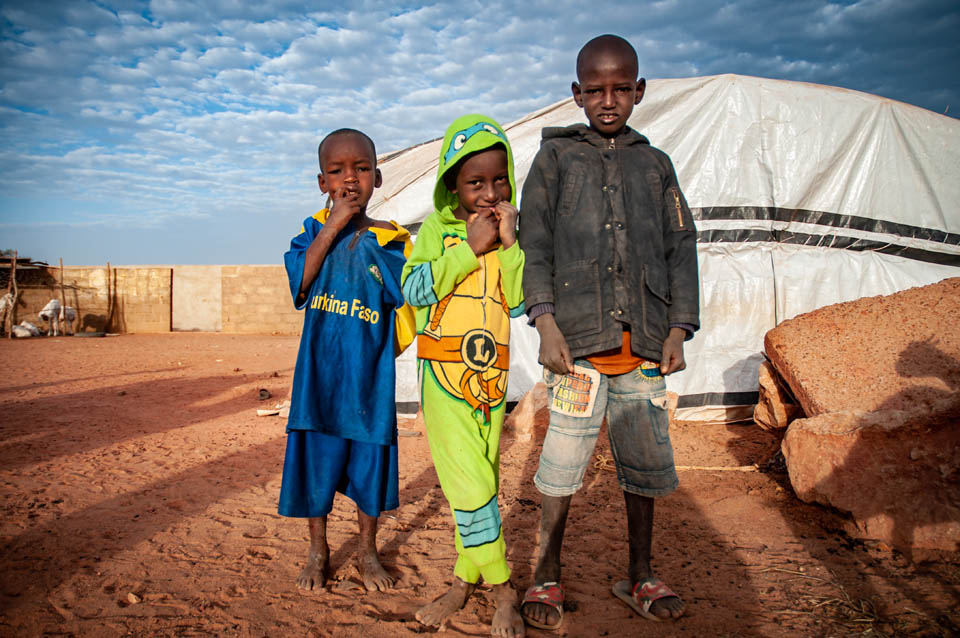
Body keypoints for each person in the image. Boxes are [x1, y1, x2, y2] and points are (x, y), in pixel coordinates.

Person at [518, 34, 699, 628]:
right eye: (595, 89)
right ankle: (545, 577)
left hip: (644, 347)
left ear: (639, 91)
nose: (608, 99)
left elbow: (681, 246)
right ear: (576, 94)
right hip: (577, 351)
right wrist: (544, 321)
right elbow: (535, 244)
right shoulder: (555, 161)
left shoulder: (655, 165)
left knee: (643, 469)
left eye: (621, 88)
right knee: (562, 468)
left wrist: (678, 327)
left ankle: (640, 574)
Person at [401, 114, 526, 637]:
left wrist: (511, 243)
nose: (489, 192)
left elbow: (517, 303)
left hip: (489, 386)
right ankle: (504, 590)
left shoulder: (509, 234)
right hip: (445, 382)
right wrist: (467, 249)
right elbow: (413, 290)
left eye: (499, 180)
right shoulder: (437, 231)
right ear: (453, 184)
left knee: (481, 483)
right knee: (470, 485)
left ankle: (461, 578)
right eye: (475, 182)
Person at [278, 128, 416, 593]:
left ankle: (368, 552)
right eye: (337, 171)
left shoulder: (393, 242)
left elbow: (409, 303)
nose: (350, 179)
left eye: (360, 169)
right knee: (317, 467)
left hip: (367, 381)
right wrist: (335, 224)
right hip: (318, 379)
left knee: (369, 469)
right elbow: (300, 286)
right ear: (322, 182)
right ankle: (318, 552)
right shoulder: (311, 232)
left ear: (377, 176)